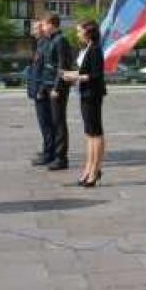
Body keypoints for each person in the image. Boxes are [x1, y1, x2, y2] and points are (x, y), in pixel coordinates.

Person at [61, 19, 107, 187]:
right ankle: (88, 168)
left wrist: (74, 77)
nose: (77, 34)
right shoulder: (87, 49)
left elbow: (95, 75)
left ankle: (95, 170)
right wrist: (69, 73)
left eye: (80, 31)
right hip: (85, 93)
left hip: (93, 94)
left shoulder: (95, 50)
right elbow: (83, 72)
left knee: (95, 133)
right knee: (89, 133)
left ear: (88, 32)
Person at [39, 13, 73, 171]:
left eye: (44, 24)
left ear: (52, 24)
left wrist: (57, 87)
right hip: (47, 85)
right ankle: (52, 154)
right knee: (51, 122)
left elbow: (63, 66)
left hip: (56, 87)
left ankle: (61, 158)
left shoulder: (61, 41)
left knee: (59, 122)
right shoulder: (50, 40)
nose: (43, 27)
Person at [28, 19, 55, 167]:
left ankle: (49, 153)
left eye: (36, 27)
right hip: (38, 90)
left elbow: (46, 69)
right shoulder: (40, 44)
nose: (33, 29)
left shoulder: (45, 44)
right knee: (44, 123)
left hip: (42, 92)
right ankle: (48, 150)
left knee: (46, 123)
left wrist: (41, 89)